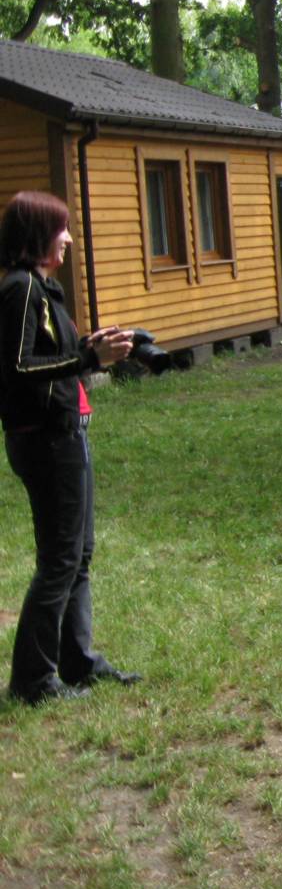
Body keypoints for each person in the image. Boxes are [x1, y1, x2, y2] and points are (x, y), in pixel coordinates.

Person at [1, 191, 142, 704]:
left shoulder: (45, 289)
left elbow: (51, 356)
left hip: (66, 432)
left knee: (78, 555)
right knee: (59, 560)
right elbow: (18, 367)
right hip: (44, 439)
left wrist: (88, 347)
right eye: (62, 228)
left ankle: (77, 662)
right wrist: (87, 360)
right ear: (39, 234)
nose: (69, 238)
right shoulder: (21, 289)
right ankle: (33, 682)